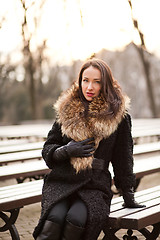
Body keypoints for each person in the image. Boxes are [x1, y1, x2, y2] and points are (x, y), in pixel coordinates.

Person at [33, 58, 145, 240]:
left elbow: (123, 159)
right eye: (85, 80)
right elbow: (48, 149)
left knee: (75, 220)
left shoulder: (119, 116)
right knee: (54, 219)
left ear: (105, 84)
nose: (89, 87)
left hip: (95, 185)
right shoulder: (66, 109)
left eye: (96, 81)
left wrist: (128, 194)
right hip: (62, 181)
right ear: (80, 81)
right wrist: (66, 151)